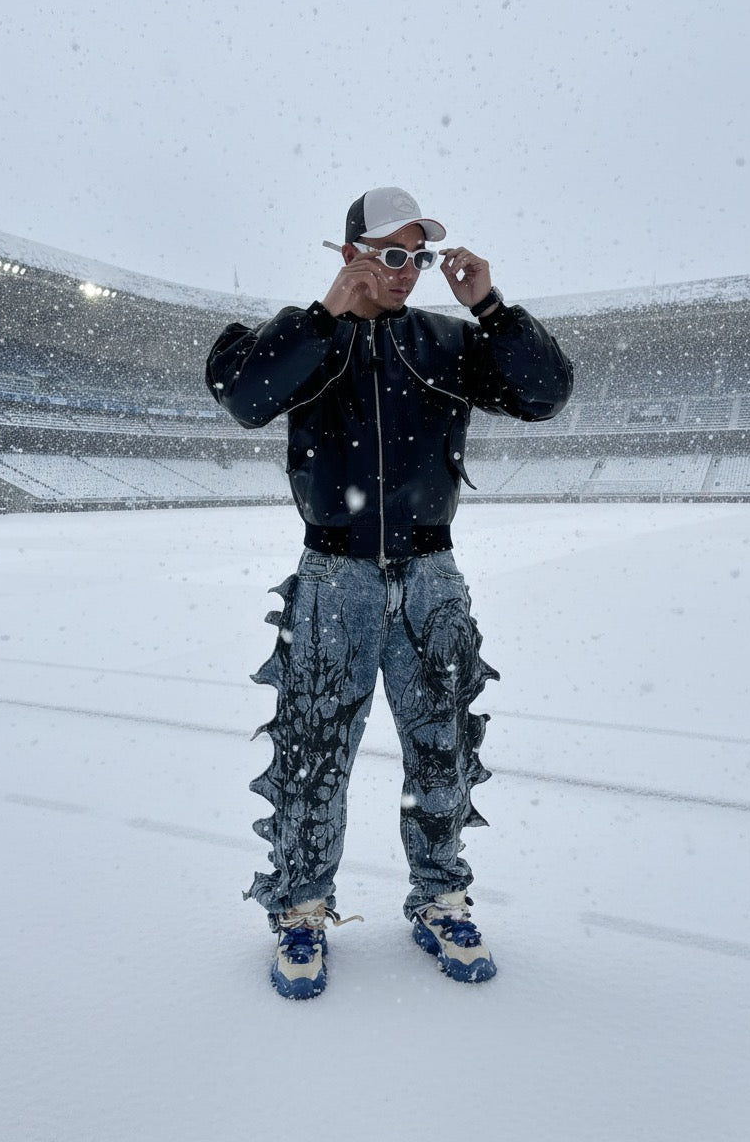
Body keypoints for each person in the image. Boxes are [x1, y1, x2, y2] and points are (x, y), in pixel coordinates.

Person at [206, 186, 573, 999]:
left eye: (420, 256)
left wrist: (491, 307)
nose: (408, 272)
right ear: (350, 254)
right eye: (392, 254)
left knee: (441, 751)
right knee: (313, 755)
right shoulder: (290, 341)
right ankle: (301, 909)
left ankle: (441, 896)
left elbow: (546, 394)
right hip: (333, 578)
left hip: (432, 578)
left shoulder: (446, 342)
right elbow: (246, 399)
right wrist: (327, 315)